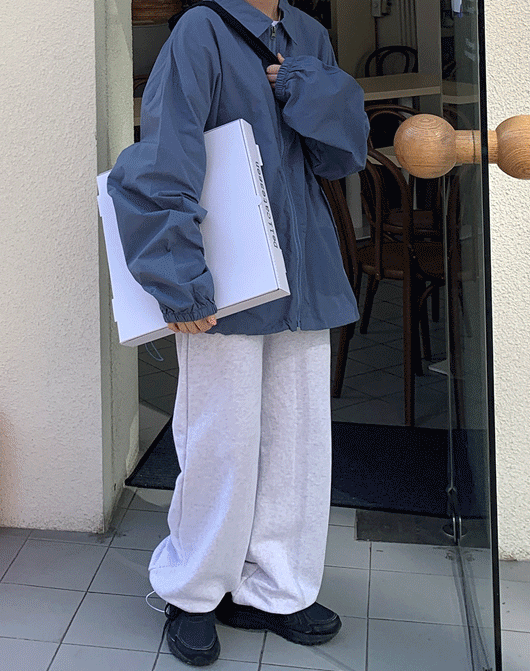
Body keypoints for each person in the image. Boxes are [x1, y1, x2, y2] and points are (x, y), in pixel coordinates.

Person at [107, 0, 369, 665]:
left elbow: (341, 156)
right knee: (220, 440)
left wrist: (310, 86)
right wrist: (178, 277)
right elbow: (165, 151)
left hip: (302, 272)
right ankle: (194, 590)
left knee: (298, 440)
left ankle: (275, 585)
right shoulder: (201, 30)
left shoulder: (309, 35)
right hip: (222, 282)